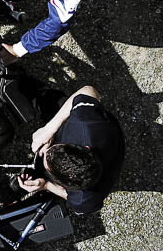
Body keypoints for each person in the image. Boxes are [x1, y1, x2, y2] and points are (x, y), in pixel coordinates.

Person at [16, 86, 124, 215]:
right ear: (86, 148)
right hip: (104, 131)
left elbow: (73, 200)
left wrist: (46, 186)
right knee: (48, 99)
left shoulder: (84, 200)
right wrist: (49, 129)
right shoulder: (86, 122)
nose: (44, 150)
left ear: (63, 184)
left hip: (111, 153)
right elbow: (88, 91)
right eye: (52, 149)